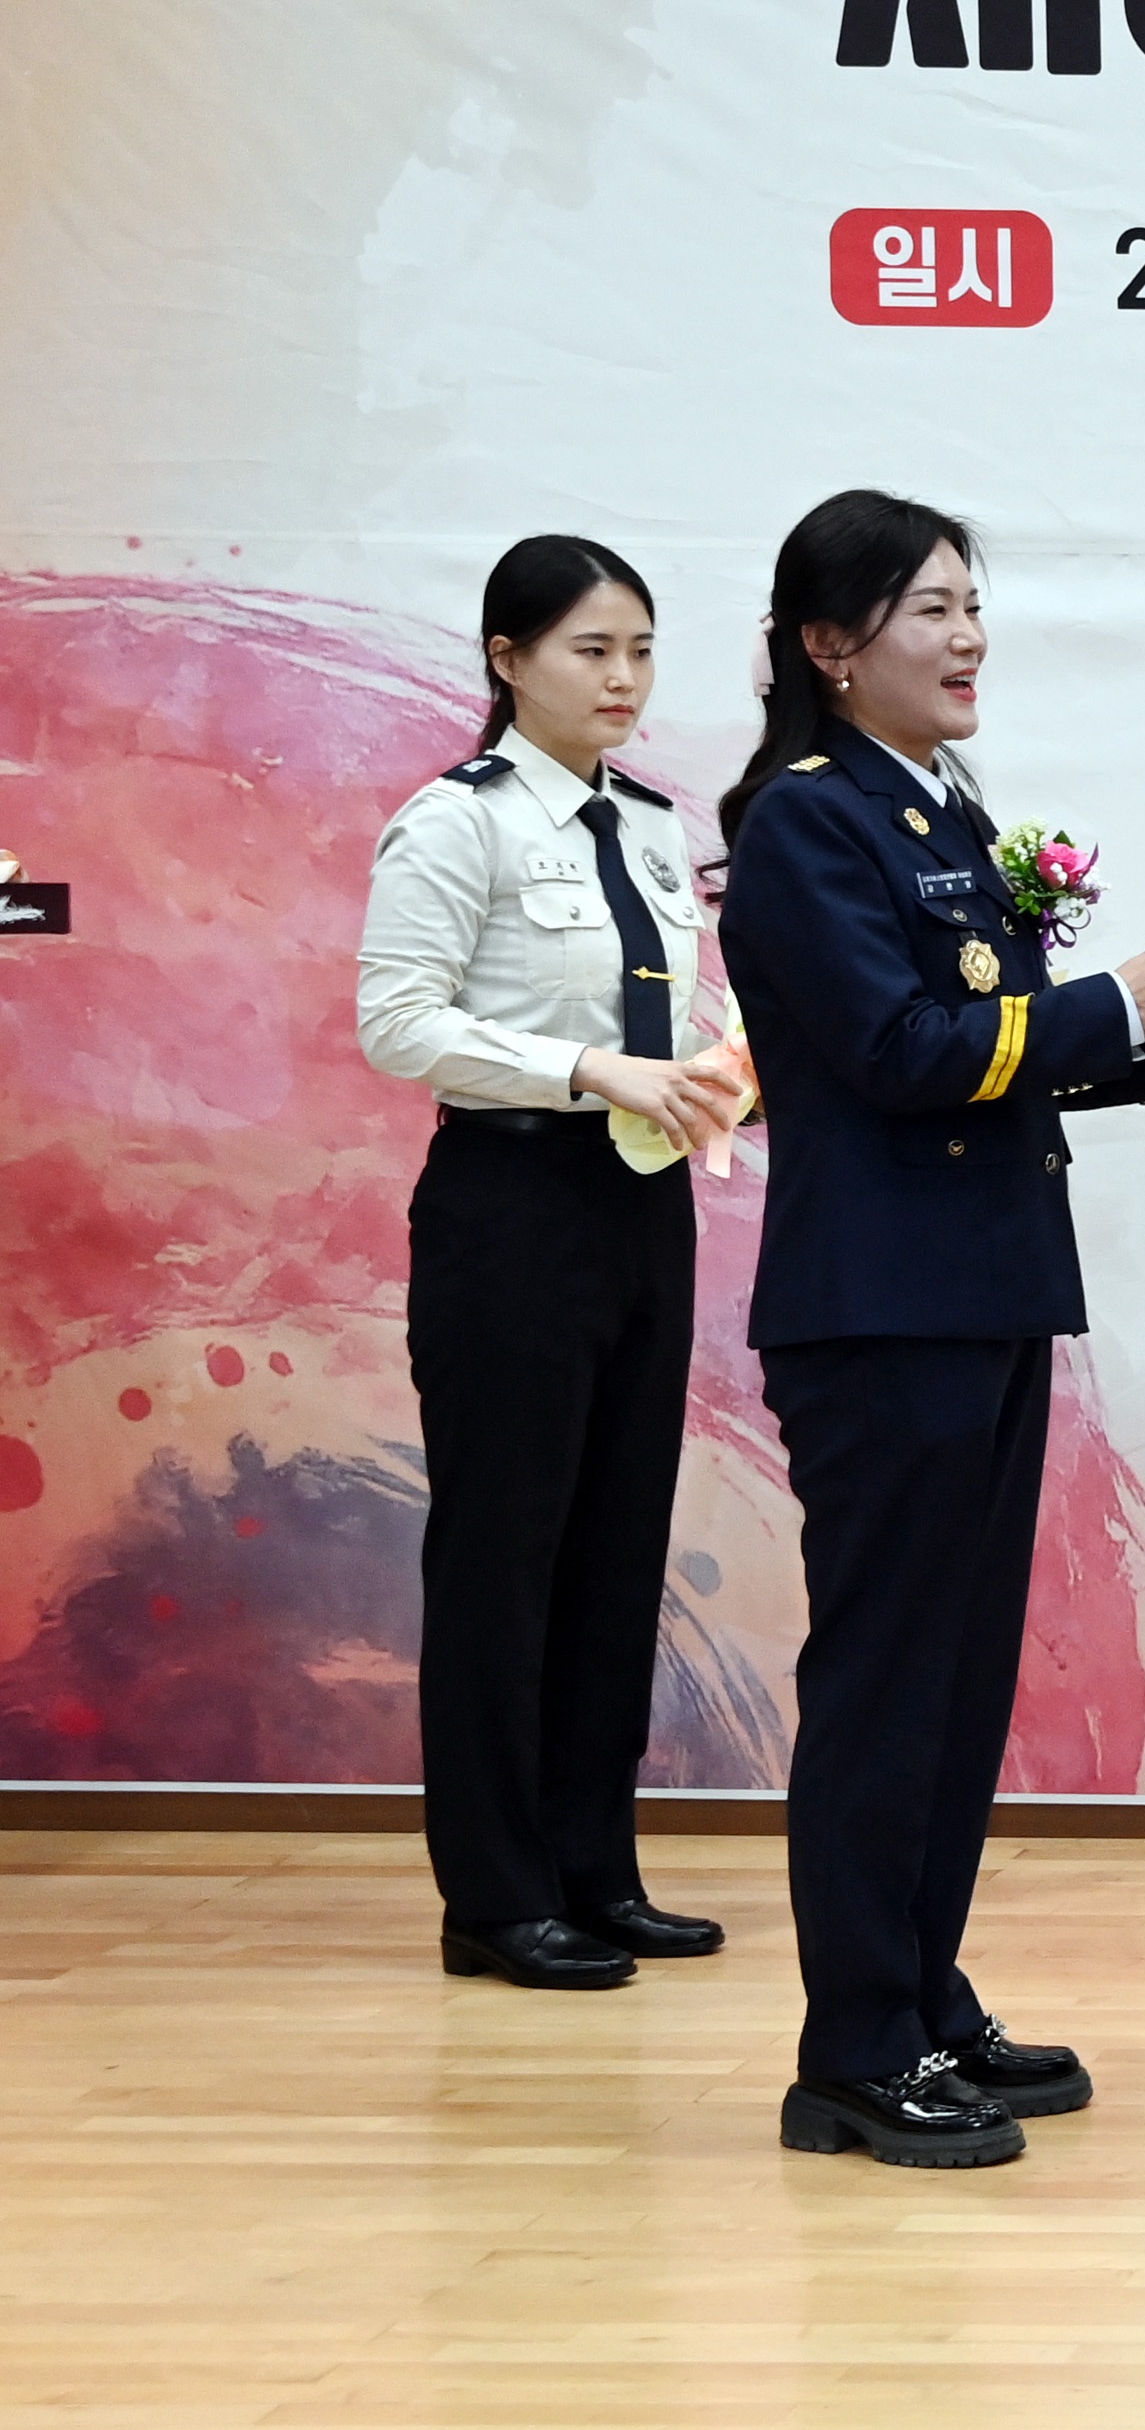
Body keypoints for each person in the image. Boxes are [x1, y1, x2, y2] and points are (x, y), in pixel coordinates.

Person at [714, 490, 1145, 2169]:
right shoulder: (806, 823)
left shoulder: (935, 804)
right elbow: (897, 1051)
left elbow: (991, 1045)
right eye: (929, 610)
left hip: (979, 1294)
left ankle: (922, 1995)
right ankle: (853, 2050)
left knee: (956, 1679)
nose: (968, 638)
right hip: (880, 1311)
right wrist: (1106, 1006)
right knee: (888, 1675)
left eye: (970, 605)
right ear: (830, 645)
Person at [356, 536, 744, 1990]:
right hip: (508, 1207)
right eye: (591, 649)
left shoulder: (650, 826)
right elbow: (399, 1023)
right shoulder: (453, 822)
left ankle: (595, 1867)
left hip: (641, 1203)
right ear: (508, 659)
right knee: (503, 1552)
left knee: (616, 1545)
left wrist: (721, 1074)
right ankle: (496, 1892)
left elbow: (672, 1024)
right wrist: (587, 1068)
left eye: (640, 649)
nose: (623, 678)